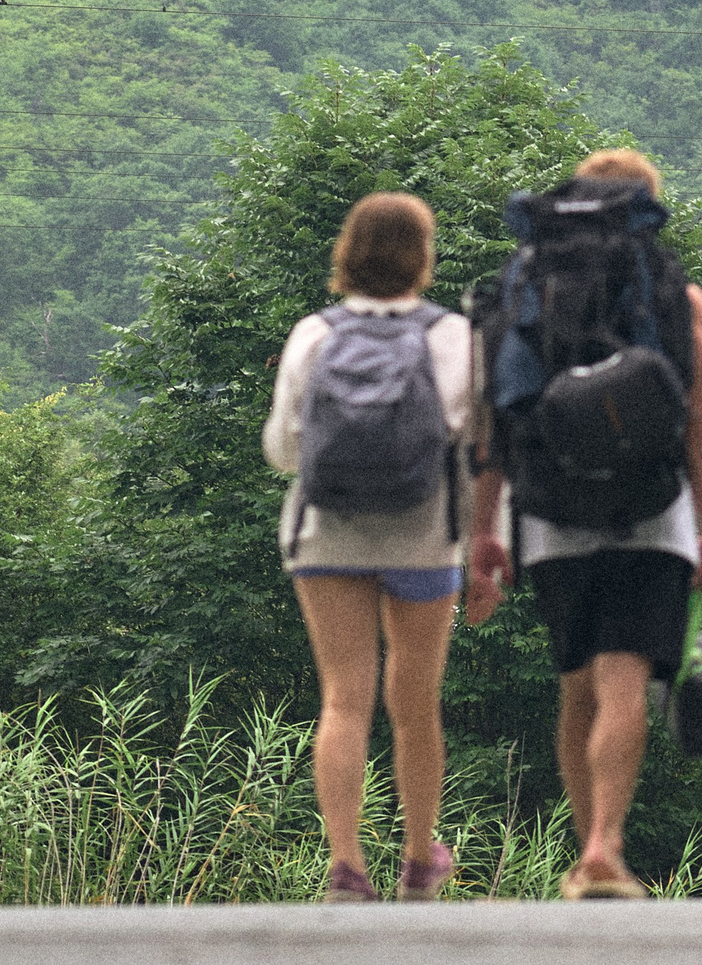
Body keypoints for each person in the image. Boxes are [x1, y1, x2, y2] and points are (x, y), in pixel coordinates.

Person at [464, 148, 702, 900]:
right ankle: (607, 844)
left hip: (548, 510)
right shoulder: (679, 296)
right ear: (646, 206)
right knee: (624, 683)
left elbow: (496, 419)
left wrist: (487, 530)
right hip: (652, 507)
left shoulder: (529, 283)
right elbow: (697, 423)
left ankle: (587, 852)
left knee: (578, 685)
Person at [264, 190, 472, 903]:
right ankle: (420, 859)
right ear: (423, 257)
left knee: (344, 699)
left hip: (326, 534)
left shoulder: (313, 335)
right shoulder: (450, 335)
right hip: (423, 538)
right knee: (416, 705)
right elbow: (472, 447)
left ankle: (347, 868)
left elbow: (282, 450)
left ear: (346, 254)